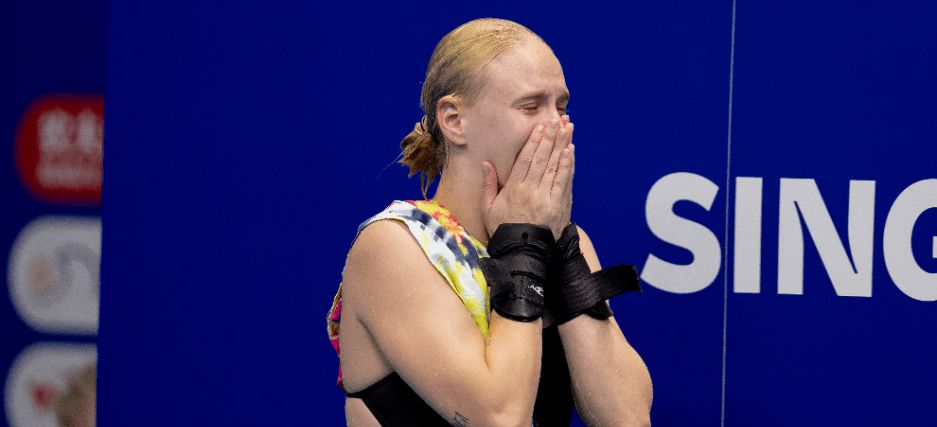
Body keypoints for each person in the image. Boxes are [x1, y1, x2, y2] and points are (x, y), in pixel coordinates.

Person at [328, 18, 652, 427]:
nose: (557, 125)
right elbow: (500, 418)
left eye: (562, 106)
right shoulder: (394, 246)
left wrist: (560, 249)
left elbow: (627, 419)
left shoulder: (566, 241)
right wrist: (525, 246)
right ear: (454, 121)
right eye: (531, 106)